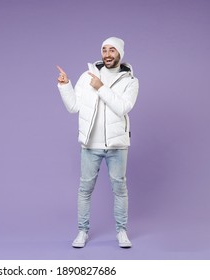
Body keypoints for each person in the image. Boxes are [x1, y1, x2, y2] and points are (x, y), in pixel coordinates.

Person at [56, 37, 139, 248]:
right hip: (90, 144)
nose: (108, 54)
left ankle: (122, 231)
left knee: (120, 189)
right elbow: (73, 107)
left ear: (120, 53)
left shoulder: (130, 81)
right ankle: (82, 232)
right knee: (85, 190)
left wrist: (101, 87)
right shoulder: (87, 77)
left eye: (112, 50)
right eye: (104, 50)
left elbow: (122, 108)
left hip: (117, 145)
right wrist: (65, 86)